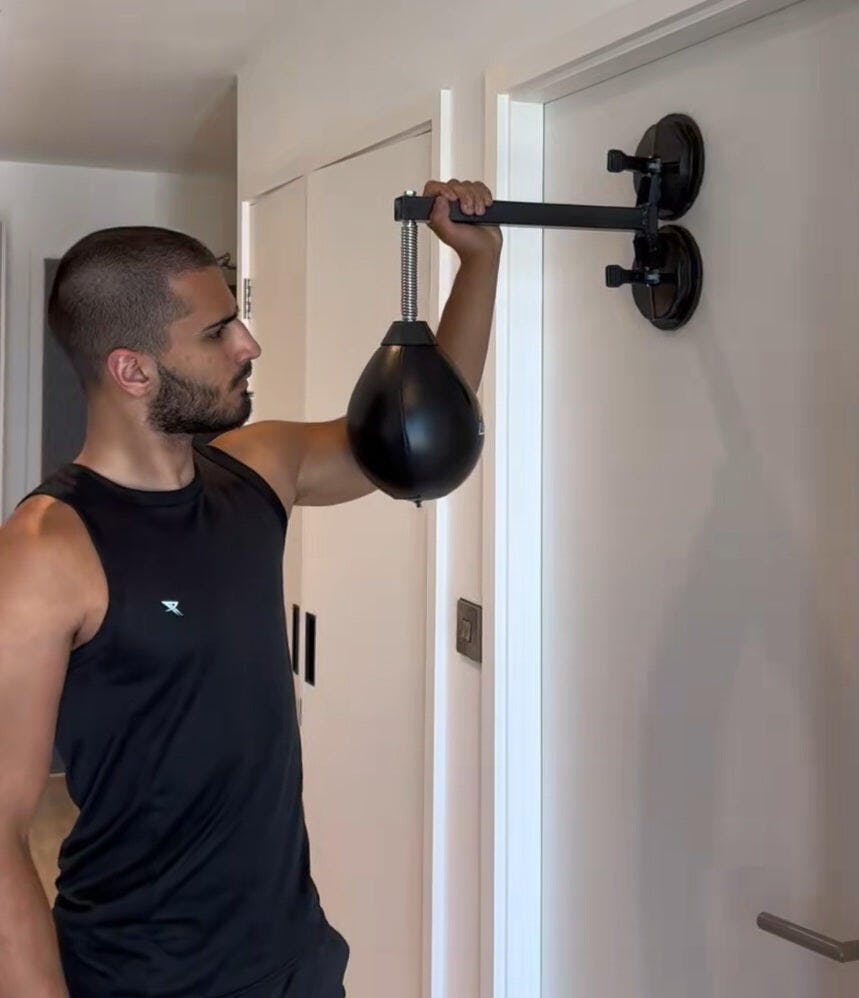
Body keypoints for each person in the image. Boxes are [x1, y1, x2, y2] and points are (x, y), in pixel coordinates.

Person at [0, 179, 502, 998]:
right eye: (217, 330)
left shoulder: (256, 469)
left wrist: (477, 265)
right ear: (132, 370)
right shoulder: (46, 551)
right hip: (145, 976)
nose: (248, 344)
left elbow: (419, 433)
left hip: (295, 957)